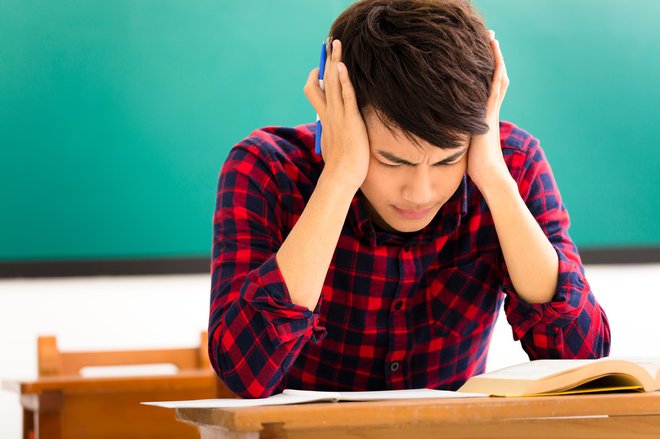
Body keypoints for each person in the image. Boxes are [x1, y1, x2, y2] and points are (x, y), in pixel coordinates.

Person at [208, 0, 610, 399]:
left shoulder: (511, 164)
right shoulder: (267, 169)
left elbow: (578, 356)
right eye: (390, 160)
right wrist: (340, 176)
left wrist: (493, 178)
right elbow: (245, 373)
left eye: (446, 161)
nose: (420, 193)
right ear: (335, 112)